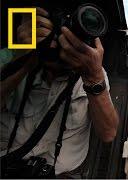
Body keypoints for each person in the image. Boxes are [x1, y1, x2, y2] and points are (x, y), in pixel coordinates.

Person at [0, 7, 119, 176]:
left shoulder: (94, 73)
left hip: (60, 174)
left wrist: (93, 77)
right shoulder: (9, 57)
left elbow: (108, 133)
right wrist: (23, 60)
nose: (61, 42)